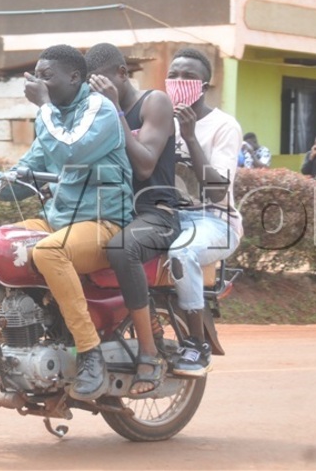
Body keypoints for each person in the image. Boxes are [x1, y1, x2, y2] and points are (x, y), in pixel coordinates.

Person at [0, 44, 134, 400]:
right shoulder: (57, 116)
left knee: (50, 253)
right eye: (36, 75)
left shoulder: (100, 109)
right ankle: (12, 347)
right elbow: (28, 174)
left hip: (105, 221)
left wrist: (44, 107)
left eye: (46, 75)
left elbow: (70, 150)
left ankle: (89, 351)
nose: (38, 82)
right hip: (61, 220)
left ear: (74, 77)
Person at [85, 43, 180, 396]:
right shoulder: (93, 110)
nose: (94, 93)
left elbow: (145, 164)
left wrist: (115, 114)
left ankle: (150, 353)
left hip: (156, 212)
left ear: (122, 75)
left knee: (122, 249)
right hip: (111, 211)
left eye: (101, 83)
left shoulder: (154, 103)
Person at [165, 48, 243, 377]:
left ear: (204, 86)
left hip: (215, 220)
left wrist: (190, 138)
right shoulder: (158, 118)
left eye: (189, 77)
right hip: (167, 215)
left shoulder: (224, 126)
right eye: (174, 75)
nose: (179, 81)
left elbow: (216, 190)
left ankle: (197, 344)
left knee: (183, 253)